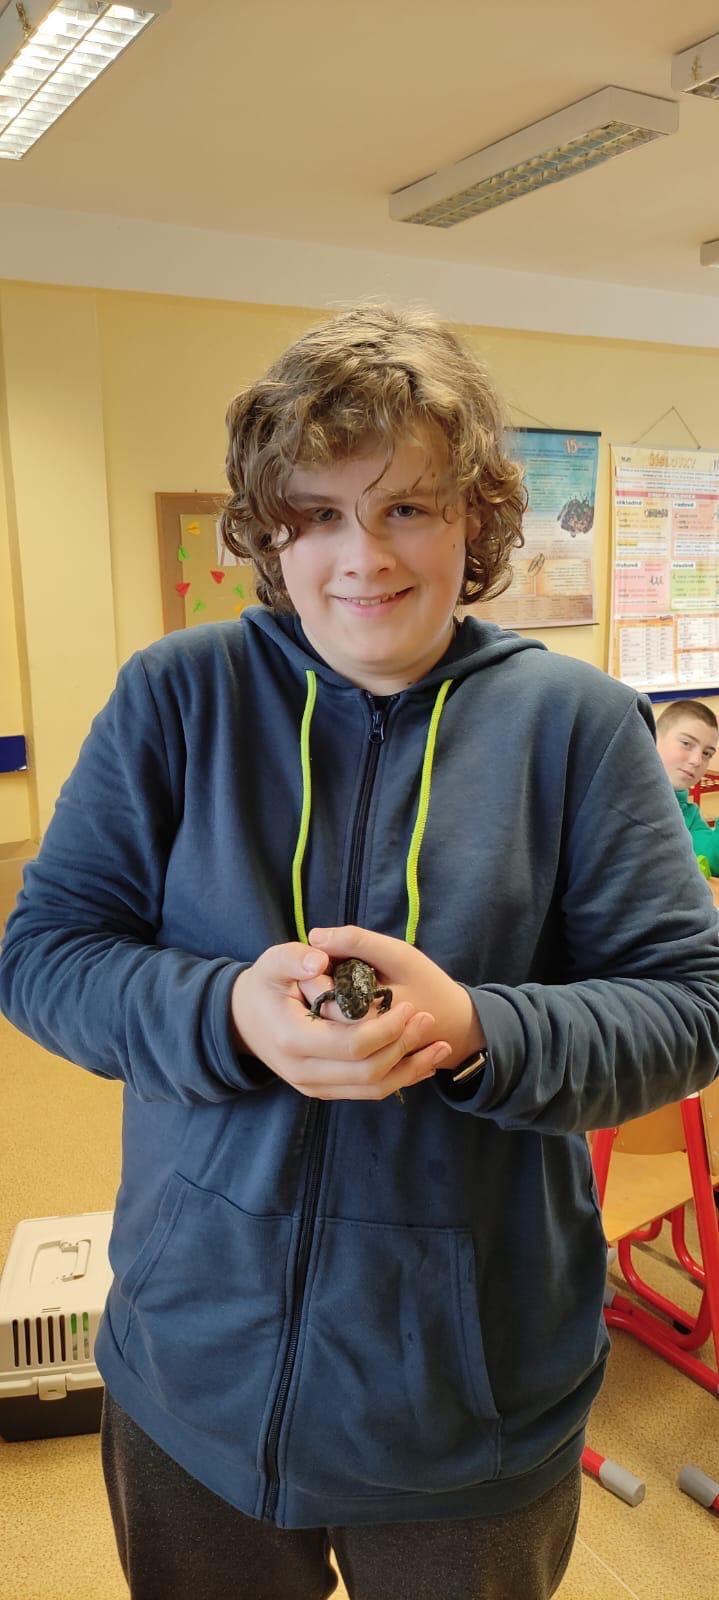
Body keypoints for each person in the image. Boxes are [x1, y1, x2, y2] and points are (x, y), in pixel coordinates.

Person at [1, 304, 718, 1600]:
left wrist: (481, 1031)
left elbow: (689, 1003)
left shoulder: (577, 727)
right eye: (317, 513)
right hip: (194, 1375)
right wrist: (226, 1012)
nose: (361, 556)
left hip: (465, 1406)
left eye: (406, 508)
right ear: (266, 530)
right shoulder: (176, 696)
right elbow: (43, 956)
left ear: (472, 520)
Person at [656, 699, 719, 876]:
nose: (697, 760)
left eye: (707, 753)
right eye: (686, 743)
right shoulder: (617, 791)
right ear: (653, 737)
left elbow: (711, 861)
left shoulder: (689, 816)